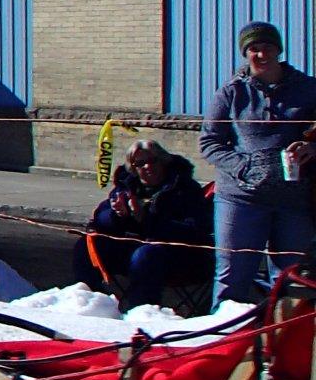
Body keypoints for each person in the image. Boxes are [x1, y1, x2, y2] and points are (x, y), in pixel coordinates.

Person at [199, 19, 316, 305]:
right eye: (253, 49)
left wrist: (312, 147)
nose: (261, 55)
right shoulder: (231, 93)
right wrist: (245, 166)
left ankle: (283, 345)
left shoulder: (308, 88)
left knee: (292, 281)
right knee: (232, 279)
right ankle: (227, 345)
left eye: (267, 47)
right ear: (245, 53)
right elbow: (209, 142)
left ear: (279, 50)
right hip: (241, 199)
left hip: (294, 201)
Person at [72, 140, 214, 312]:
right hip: (133, 252)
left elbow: (194, 231)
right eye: (140, 163)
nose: (147, 167)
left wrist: (146, 218)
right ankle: (91, 304)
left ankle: (139, 311)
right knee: (86, 245)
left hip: (178, 257)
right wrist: (116, 215)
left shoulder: (185, 189)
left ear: (163, 160)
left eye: (152, 161)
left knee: (146, 255)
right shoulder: (126, 186)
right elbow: (99, 219)